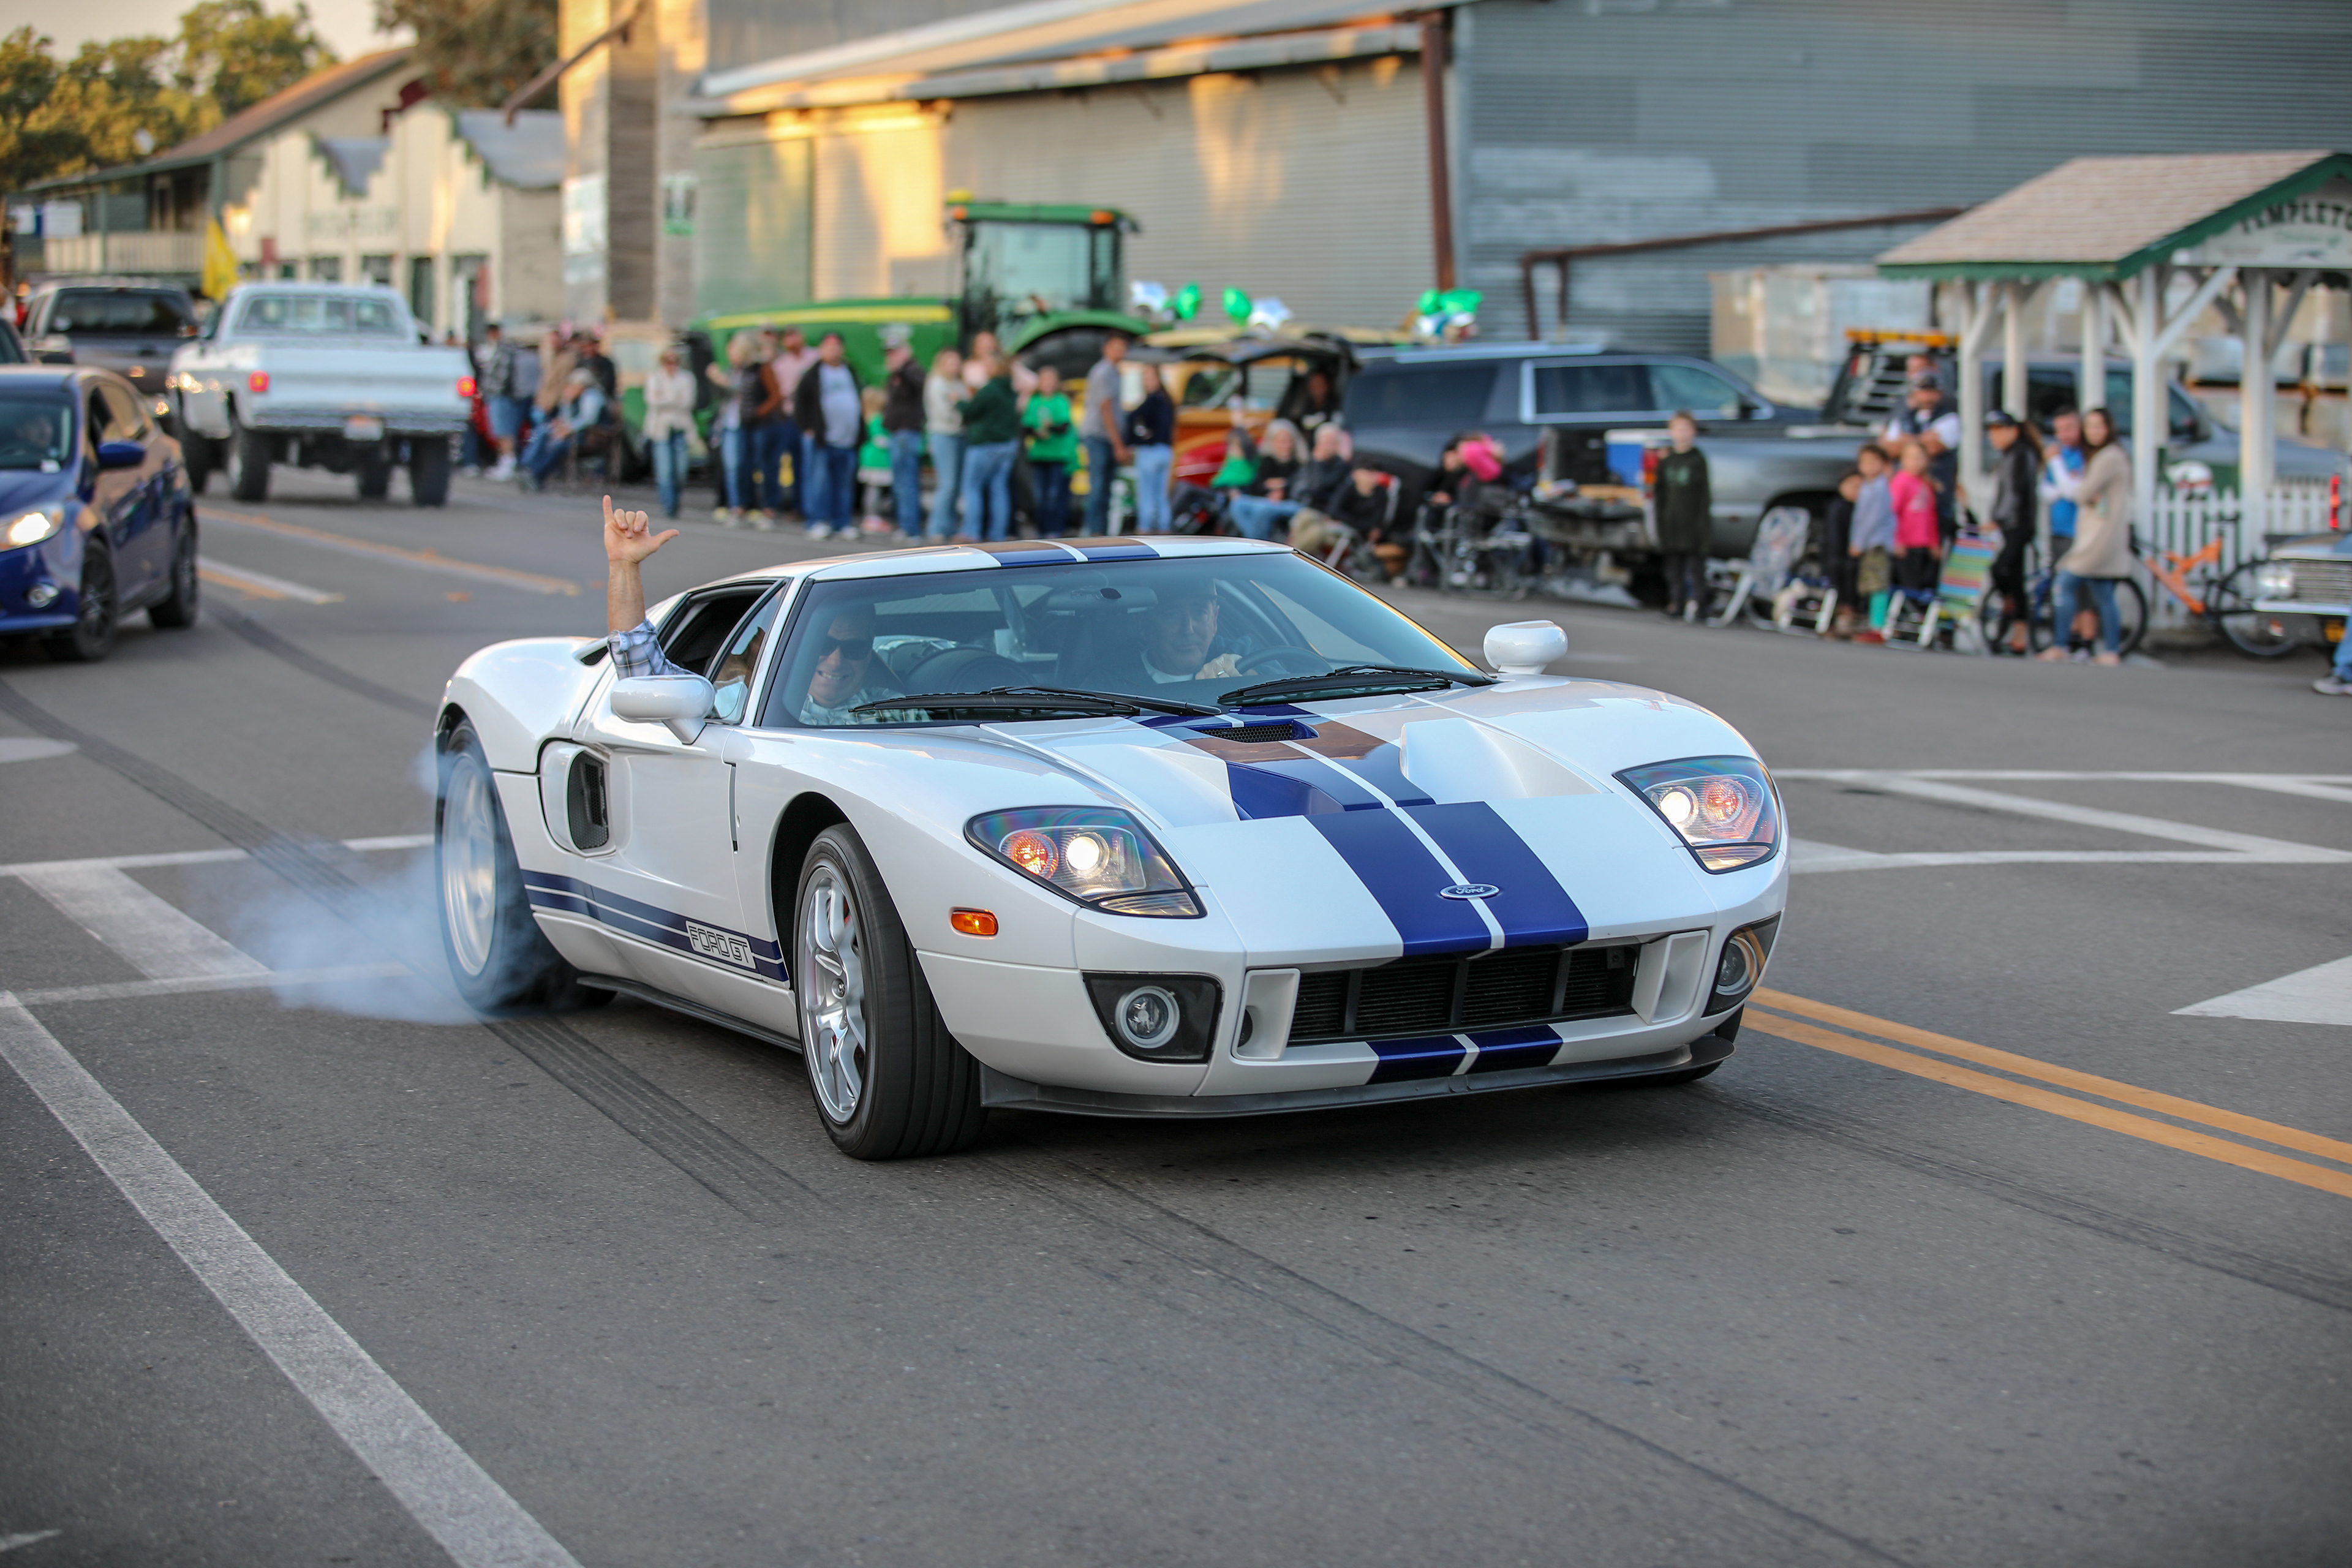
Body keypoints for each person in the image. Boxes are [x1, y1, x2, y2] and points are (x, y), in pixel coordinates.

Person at [600, 496, 903, 725]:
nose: (836, 661)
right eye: (822, 644)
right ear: (782, 645)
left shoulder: (901, 712)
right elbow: (642, 676)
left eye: (853, 648)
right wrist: (624, 567)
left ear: (869, 651)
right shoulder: (735, 704)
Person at [2038, 405, 2133, 665]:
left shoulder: (2108, 458)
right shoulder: (2099, 456)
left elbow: (2079, 493)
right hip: (2097, 534)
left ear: (2110, 428)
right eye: (2090, 426)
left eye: (2099, 426)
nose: (2094, 431)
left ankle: (2060, 645)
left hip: (2098, 538)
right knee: (2103, 593)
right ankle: (2111, 651)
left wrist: (2056, 464)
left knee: (2064, 584)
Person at [793, 331, 862, 540]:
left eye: (837, 346)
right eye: (829, 346)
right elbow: (800, 402)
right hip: (823, 438)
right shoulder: (814, 374)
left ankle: (842, 522)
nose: (833, 350)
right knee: (819, 482)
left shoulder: (849, 370)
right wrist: (807, 427)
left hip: (848, 439)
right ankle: (817, 521)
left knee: (844, 485)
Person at [1984, 409, 2041, 654]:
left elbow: (2015, 494)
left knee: (2002, 569)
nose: (1993, 436)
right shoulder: (2009, 455)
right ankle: (2018, 630)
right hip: (2011, 525)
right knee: (2014, 577)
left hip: (2019, 524)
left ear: (2013, 431)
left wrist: (1997, 519)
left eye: (1999, 430)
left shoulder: (2021, 455)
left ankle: (2014, 612)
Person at [1882, 370, 1961, 539]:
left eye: (1931, 391)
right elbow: (1888, 449)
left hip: (1937, 499)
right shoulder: (1904, 418)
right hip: (1905, 499)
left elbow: (1933, 447)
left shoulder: (1950, 418)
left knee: (1933, 545)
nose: (1927, 396)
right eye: (1923, 390)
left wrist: (1905, 441)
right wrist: (1922, 439)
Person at [957, 353, 1021, 542]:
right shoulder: (1010, 388)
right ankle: (998, 534)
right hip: (1007, 445)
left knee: (972, 488)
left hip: (986, 445)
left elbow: (971, 411)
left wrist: (958, 401)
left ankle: (971, 531)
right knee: (999, 489)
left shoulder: (990, 389)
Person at [1654, 410, 1711, 621]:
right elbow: (1659, 495)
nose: (1682, 433)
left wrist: (1703, 529)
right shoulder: (1667, 461)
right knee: (1673, 570)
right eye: (1678, 429)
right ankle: (1676, 603)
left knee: (1696, 570)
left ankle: (1700, 606)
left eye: (1686, 429)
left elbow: (1704, 497)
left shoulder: (1697, 460)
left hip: (1693, 525)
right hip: (1672, 523)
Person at [517, 367, 606, 490]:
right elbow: (566, 418)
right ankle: (527, 466)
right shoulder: (575, 398)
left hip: (589, 437)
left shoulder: (592, 396)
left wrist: (567, 428)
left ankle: (536, 474)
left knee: (558, 446)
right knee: (543, 432)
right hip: (572, 434)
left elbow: (588, 419)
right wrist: (566, 403)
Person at [1080, 335, 1131, 535]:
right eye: (1116, 348)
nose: (1121, 353)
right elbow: (1106, 410)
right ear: (1106, 348)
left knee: (1105, 488)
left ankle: (1099, 530)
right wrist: (1118, 444)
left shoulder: (1114, 372)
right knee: (1099, 488)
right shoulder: (1104, 373)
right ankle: (1094, 533)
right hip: (1100, 437)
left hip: (1106, 438)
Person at [1847, 442, 1897, 643]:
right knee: (1870, 583)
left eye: (1874, 462)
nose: (1869, 466)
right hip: (1869, 544)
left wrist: (1858, 541)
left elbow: (1872, 519)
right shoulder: (1867, 486)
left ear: (1884, 464)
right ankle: (1872, 623)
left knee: (1877, 585)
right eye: (1865, 462)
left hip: (1876, 544)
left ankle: (1878, 627)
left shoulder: (1880, 488)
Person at [642, 343, 696, 521]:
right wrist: (673, 399)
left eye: (674, 361)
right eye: (667, 361)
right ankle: (669, 506)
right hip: (661, 429)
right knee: (665, 470)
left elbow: (687, 402)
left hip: (680, 427)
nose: (671, 364)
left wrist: (664, 398)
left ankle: (676, 499)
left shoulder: (687, 378)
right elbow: (652, 401)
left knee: (680, 471)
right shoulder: (655, 377)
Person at [1022, 364, 1077, 538]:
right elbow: (1026, 426)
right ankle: (1042, 528)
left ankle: (1055, 528)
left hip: (1058, 455)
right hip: (1040, 455)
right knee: (1041, 496)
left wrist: (1050, 427)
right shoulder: (1035, 401)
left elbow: (1064, 426)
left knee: (1055, 495)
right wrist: (1037, 432)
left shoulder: (1060, 401)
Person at [1227, 420, 1305, 541]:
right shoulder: (1267, 461)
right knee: (1237, 504)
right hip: (1266, 500)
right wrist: (1268, 487)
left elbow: (1300, 486)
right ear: (1272, 442)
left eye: (1288, 441)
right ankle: (1255, 542)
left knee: (1262, 510)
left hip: (1290, 503)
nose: (1286, 445)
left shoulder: (1299, 463)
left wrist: (1282, 486)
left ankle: (1255, 545)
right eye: (1281, 441)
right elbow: (1255, 487)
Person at [880, 341, 927, 537]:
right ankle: (903, 523)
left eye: (895, 352)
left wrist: (903, 370)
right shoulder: (894, 376)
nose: (891, 357)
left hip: (908, 433)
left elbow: (920, 387)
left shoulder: (914, 371)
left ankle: (910, 527)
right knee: (900, 483)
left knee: (907, 482)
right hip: (896, 433)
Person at [769, 326, 816, 518]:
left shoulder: (814, 357)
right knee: (795, 464)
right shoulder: (781, 364)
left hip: (812, 416)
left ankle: (812, 506)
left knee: (812, 464)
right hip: (791, 417)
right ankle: (799, 506)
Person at [1890, 439, 1943, 600]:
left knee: (1925, 585)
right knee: (1909, 586)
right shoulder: (1900, 482)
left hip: (1924, 544)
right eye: (1911, 457)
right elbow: (1892, 513)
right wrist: (1897, 540)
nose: (1915, 462)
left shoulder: (1926, 484)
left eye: (1919, 457)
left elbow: (1931, 516)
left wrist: (1934, 543)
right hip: (1907, 545)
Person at [1126, 362, 1175, 533]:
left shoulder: (1153, 400)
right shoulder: (1167, 400)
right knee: (1161, 496)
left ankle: (1145, 530)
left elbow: (1133, 417)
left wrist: (1138, 438)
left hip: (1150, 452)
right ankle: (1165, 530)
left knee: (1146, 495)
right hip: (1165, 451)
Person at [922, 348, 966, 540]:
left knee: (955, 484)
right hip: (943, 435)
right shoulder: (937, 383)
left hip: (959, 435)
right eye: (951, 363)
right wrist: (961, 413)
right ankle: (936, 527)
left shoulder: (958, 383)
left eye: (957, 363)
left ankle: (948, 526)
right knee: (947, 483)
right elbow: (945, 413)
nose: (955, 367)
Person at [477, 322, 521, 480]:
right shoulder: (492, 349)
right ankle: (503, 461)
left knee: (504, 431)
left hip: (502, 396)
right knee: (498, 431)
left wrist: (491, 390)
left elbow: (503, 377)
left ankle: (508, 462)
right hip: (495, 396)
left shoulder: (504, 351)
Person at [1820, 468, 1860, 638]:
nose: (1855, 490)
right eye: (1851, 485)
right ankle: (1841, 611)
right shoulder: (1836, 508)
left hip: (1854, 558)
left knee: (1852, 569)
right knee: (1839, 567)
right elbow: (1834, 539)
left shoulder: (1863, 509)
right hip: (1835, 557)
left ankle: (1850, 612)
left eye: (1860, 486)